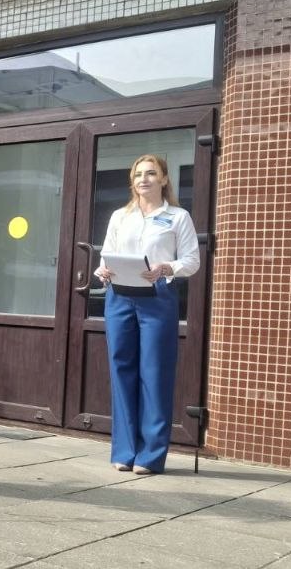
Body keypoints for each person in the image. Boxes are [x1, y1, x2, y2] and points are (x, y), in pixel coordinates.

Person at [93, 154, 200, 475]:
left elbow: (192, 261)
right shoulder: (120, 216)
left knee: (154, 372)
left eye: (151, 173)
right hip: (119, 296)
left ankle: (150, 455)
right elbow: (106, 254)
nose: (144, 179)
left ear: (164, 179)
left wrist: (167, 267)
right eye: (138, 174)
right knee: (121, 370)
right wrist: (102, 269)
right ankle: (124, 451)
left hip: (157, 297)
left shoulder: (178, 217)